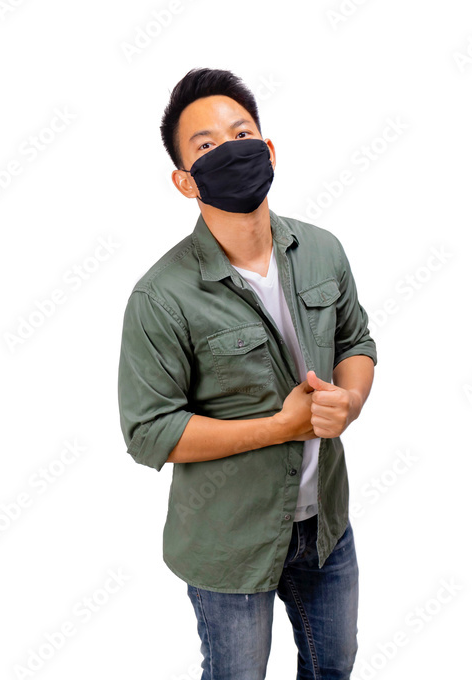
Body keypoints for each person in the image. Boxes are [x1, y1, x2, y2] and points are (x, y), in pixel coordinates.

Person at [118, 67, 378, 680]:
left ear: (269, 150)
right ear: (185, 181)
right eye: (207, 145)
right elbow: (149, 432)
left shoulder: (323, 250)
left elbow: (356, 341)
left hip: (325, 526)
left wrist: (351, 400)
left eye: (242, 134)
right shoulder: (161, 296)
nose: (231, 150)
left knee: (334, 668)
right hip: (227, 542)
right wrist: (281, 427)